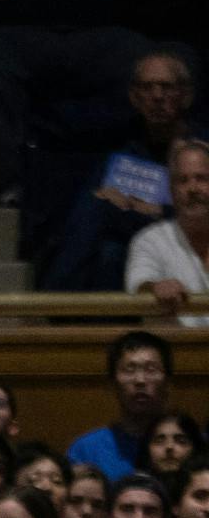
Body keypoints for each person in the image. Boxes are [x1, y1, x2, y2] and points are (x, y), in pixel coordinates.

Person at [68, 331, 173, 485]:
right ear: (112, 384)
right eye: (129, 370)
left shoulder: (193, 445)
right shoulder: (86, 450)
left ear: (168, 383)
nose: (140, 380)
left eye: (151, 370)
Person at [126, 138, 209, 326]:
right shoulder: (149, 240)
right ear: (171, 191)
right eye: (182, 180)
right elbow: (139, 285)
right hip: (174, 344)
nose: (192, 188)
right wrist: (155, 288)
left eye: (202, 178)